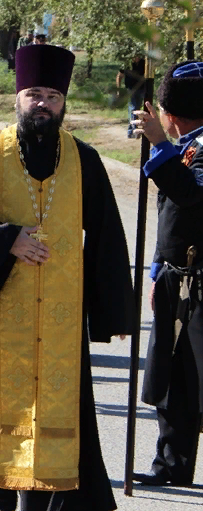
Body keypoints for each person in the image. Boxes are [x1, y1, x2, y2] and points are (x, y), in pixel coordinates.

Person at [0, 44, 137, 511]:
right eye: (33, 94)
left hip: (65, 319)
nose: (42, 103)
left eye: (51, 95)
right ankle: (11, 495)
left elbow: (107, 234)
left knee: (66, 410)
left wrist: (115, 308)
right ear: (17, 99)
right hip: (9, 310)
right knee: (5, 401)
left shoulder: (85, 159)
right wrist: (6, 239)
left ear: (63, 102)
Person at [131, 60, 203, 488]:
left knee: (194, 375)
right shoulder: (189, 145)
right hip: (177, 276)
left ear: (171, 117)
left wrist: (159, 145)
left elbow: (190, 196)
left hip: (199, 278)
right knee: (174, 377)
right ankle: (172, 465)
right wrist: (158, 266)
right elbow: (170, 217)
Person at [118, 55, 147, 139]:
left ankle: (130, 132)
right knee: (133, 108)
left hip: (141, 89)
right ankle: (135, 130)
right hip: (130, 89)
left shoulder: (144, 62)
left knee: (137, 109)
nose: (136, 58)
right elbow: (119, 76)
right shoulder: (127, 64)